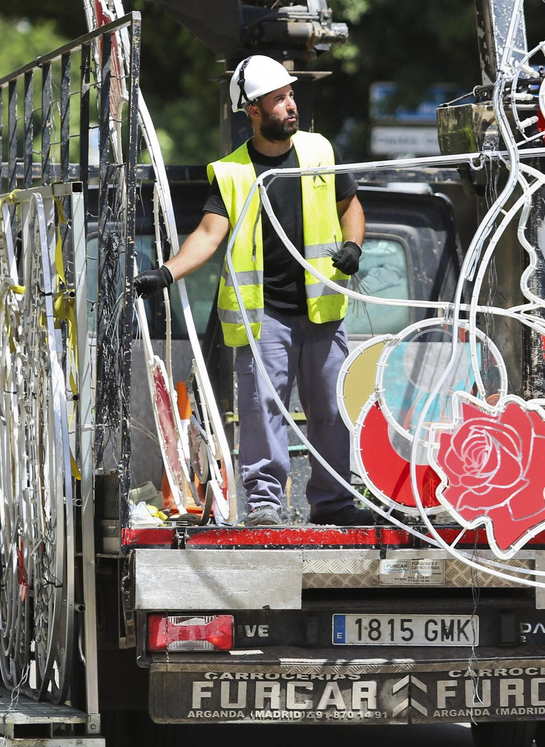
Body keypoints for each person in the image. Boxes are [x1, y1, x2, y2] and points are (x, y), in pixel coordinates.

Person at [133, 55, 371, 528]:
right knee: (263, 412)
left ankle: (335, 503)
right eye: (279, 99)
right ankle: (266, 503)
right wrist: (165, 272)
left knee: (330, 409)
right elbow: (207, 234)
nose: (291, 105)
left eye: (291, 96)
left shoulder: (320, 150)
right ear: (254, 111)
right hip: (265, 317)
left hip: (323, 309)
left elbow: (351, 206)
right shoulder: (233, 172)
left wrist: (352, 246)